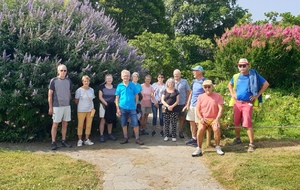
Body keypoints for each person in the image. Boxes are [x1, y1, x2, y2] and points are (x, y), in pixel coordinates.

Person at [228, 58, 269, 152]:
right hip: (237, 103)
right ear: (238, 66)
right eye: (240, 66)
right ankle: (238, 139)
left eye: (244, 65)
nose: (242, 67)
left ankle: (251, 144)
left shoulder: (254, 75)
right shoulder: (236, 76)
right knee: (236, 122)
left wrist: (257, 95)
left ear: (248, 66)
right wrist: (232, 93)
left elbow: (266, 84)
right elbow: (229, 85)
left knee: (247, 123)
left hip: (247, 103)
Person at [192, 80, 225, 157]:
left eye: (209, 87)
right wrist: (201, 118)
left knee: (216, 129)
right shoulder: (200, 97)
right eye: (205, 87)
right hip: (204, 118)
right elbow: (197, 109)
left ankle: (218, 147)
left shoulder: (218, 96)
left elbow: (221, 108)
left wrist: (217, 119)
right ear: (203, 88)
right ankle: (199, 148)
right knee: (200, 129)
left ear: (212, 87)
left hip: (214, 118)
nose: (207, 88)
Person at [115, 70, 144, 145]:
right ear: (121, 77)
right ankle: (125, 138)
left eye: (127, 76)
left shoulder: (132, 85)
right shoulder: (119, 86)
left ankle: (137, 138)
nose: (126, 77)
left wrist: (135, 104)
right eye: (124, 76)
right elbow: (117, 98)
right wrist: (117, 108)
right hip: (122, 107)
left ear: (129, 77)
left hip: (132, 108)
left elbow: (137, 95)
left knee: (135, 124)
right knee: (124, 123)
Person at [48, 64, 72, 150]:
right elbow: (50, 95)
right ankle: (53, 142)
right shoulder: (53, 81)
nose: (63, 72)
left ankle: (63, 140)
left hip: (67, 106)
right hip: (57, 106)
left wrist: (69, 101)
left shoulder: (69, 81)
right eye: (61, 70)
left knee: (65, 124)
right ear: (58, 71)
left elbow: (69, 92)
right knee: (55, 124)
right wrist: (50, 107)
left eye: (65, 70)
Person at [185, 66, 206, 146]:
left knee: (199, 123)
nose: (193, 72)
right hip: (192, 105)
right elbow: (191, 93)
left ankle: (199, 140)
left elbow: (207, 93)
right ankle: (194, 138)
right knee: (192, 122)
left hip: (199, 106)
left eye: (194, 71)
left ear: (200, 71)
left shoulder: (205, 81)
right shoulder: (194, 81)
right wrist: (188, 103)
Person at [75, 75, 95, 146]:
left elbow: (92, 99)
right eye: (85, 81)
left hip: (90, 110)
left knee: (88, 125)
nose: (86, 82)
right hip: (81, 110)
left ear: (89, 82)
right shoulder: (79, 90)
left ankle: (87, 139)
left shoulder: (92, 90)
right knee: (80, 125)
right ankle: (80, 140)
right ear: (82, 82)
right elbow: (76, 100)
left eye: (87, 81)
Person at [98, 74, 117, 142]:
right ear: (105, 79)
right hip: (103, 105)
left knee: (110, 120)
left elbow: (117, 96)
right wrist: (106, 104)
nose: (109, 80)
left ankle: (110, 134)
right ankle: (101, 135)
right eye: (108, 78)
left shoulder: (115, 87)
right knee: (103, 120)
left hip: (112, 106)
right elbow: (100, 97)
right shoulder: (102, 87)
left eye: (110, 78)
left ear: (112, 79)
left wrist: (114, 103)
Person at [161, 78, 180, 142]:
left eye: (172, 83)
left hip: (175, 109)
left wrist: (172, 106)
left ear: (173, 84)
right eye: (169, 83)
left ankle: (174, 136)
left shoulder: (176, 91)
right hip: (166, 109)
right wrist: (168, 106)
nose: (170, 84)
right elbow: (162, 100)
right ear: (167, 84)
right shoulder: (165, 91)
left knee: (174, 123)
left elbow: (177, 101)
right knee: (166, 123)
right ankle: (166, 136)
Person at [173, 69, 190, 138]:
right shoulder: (171, 81)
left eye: (177, 74)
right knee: (173, 118)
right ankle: (173, 132)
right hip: (173, 103)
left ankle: (180, 130)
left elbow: (188, 92)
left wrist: (187, 102)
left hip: (182, 102)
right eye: (175, 74)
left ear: (180, 75)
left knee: (182, 117)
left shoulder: (184, 82)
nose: (176, 75)